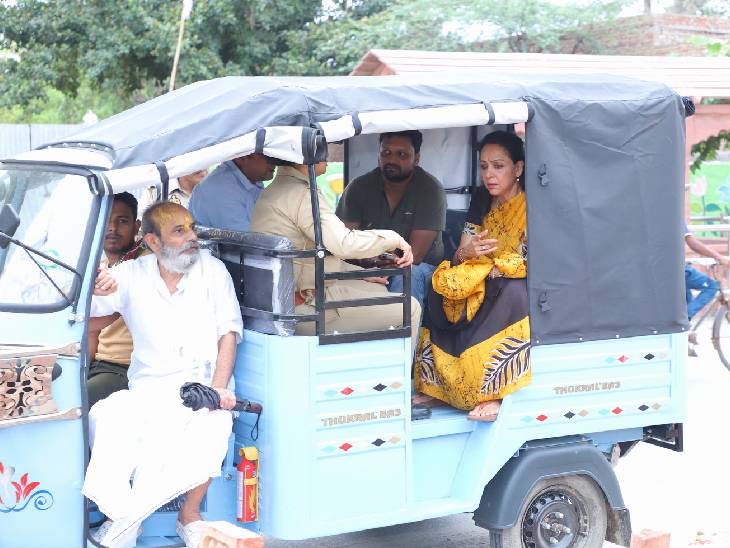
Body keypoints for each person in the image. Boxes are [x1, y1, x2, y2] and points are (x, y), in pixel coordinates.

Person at [84, 202, 243, 548]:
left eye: (191, 228)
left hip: (202, 388)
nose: (191, 238)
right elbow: (90, 315)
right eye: (179, 231)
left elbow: (227, 334)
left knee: (211, 426)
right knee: (106, 417)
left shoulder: (213, 271)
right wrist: (97, 286)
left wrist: (218, 389)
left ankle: (186, 516)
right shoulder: (130, 275)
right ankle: (126, 516)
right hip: (149, 389)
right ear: (152, 242)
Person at [413, 130, 531, 421]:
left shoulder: (533, 203)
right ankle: (441, 387)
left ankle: (494, 394)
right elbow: (461, 254)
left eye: (498, 166)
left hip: (515, 278)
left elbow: (535, 258)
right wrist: (469, 255)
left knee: (510, 291)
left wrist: (495, 267)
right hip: (478, 275)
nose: (489, 174)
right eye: (483, 166)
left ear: (518, 168)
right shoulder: (482, 199)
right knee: (440, 287)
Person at [249, 160, 422, 348]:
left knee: (378, 289)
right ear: (307, 156)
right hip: (303, 308)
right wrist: (393, 239)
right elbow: (343, 243)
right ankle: (394, 377)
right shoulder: (302, 195)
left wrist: (359, 273)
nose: (328, 158)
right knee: (410, 309)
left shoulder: (275, 189)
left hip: (281, 301)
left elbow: (309, 255)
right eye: (323, 150)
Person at [336, 131, 446, 307]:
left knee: (408, 274)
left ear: (416, 158)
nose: (392, 160)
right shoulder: (359, 187)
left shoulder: (430, 190)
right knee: (337, 274)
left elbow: (415, 255)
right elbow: (342, 243)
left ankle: (403, 334)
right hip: (368, 263)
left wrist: (381, 264)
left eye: (402, 154)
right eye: (386, 153)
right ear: (378, 155)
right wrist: (368, 264)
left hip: (420, 267)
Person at [87, 192, 145, 407]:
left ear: (137, 226)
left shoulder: (143, 264)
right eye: (106, 221)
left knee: (74, 402)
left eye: (122, 221)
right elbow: (93, 332)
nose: (112, 228)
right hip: (100, 365)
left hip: (123, 368)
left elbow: (102, 319)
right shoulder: (100, 264)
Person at [189, 154, 275, 231]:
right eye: (268, 155)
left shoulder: (251, 178)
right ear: (243, 157)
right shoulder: (221, 189)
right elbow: (245, 243)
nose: (275, 160)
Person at [684, 226, 730, 320]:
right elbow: (692, 243)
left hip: (661, 269)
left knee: (686, 298)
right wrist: (719, 257)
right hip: (678, 268)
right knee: (712, 286)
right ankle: (683, 320)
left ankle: (685, 325)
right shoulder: (675, 217)